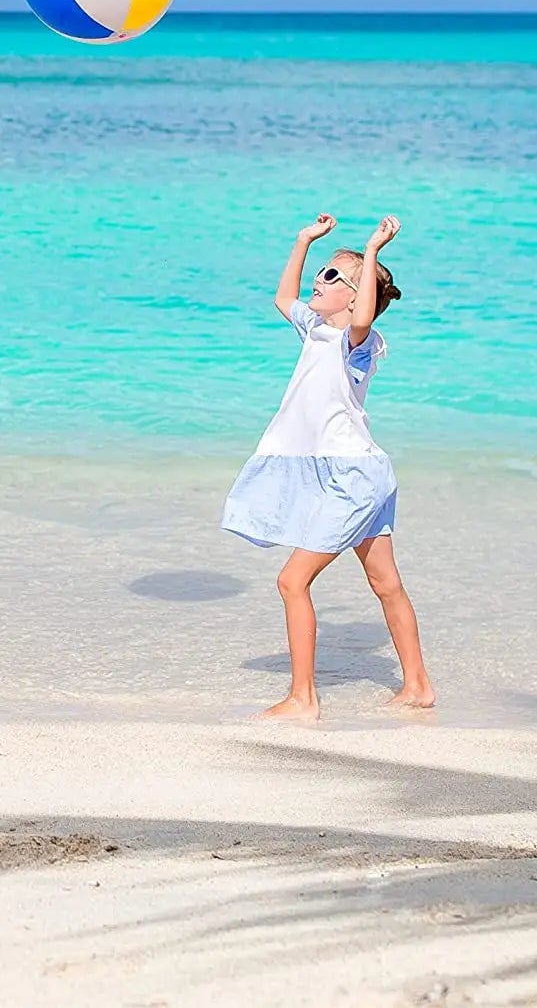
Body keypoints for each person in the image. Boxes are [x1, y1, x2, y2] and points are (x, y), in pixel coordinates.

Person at [221, 214, 432, 720]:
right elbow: (282, 298)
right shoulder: (315, 331)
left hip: (355, 478)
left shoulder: (355, 345)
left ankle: (303, 699)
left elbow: (361, 319)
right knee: (385, 584)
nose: (320, 280)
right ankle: (419, 687)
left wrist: (371, 251)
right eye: (322, 272)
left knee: (292, 581)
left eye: (333, 277)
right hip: (360, 473)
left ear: (355, 295)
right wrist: (302, 241)